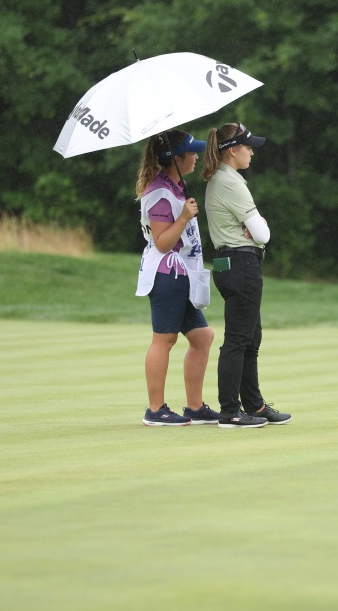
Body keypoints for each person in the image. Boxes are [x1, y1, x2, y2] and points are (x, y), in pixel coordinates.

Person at [201, 122, 292, 429]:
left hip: (232, 265)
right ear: (233, 151)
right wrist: (257, 227)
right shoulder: (231, 182)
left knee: (250, 337)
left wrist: (254, 229)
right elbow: (263, 234)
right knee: (239, 340)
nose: (252, 152)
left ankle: (254, 405)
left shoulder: (223, 178)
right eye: (248, 147)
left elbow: (256, 231)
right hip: (242, 265)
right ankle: (230, 411)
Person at [135, 129, 222, 427]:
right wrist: (184, 216)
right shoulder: (160, 192)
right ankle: (155, 409)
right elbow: (162, 242)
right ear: (176, 157)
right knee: (165, 339)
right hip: (165, 275)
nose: (197, 157)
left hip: (181, 275)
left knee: (203, 337)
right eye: (192, 152)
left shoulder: (175, 187)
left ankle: (195, 408)